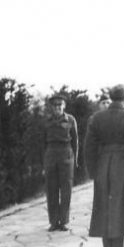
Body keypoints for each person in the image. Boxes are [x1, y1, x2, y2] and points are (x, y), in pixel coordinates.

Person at [85, 84, 124, 247]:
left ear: (111, 97)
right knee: (120, 211)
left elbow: (89, 148)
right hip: (122, 166)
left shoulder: (97, 117)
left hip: (103, 166)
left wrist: (93, 171)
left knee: (104, 210)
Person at [42, 94, 78, 232]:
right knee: (51, 190)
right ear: (52, 107)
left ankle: (64, 221)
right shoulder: (46, 121)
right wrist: (43, 163)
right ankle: (53, 221)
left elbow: (75, 141)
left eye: (60, 105)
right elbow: (42, 143)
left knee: (66, 190)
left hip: (66, 155)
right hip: (50, 155)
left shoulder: (70, 120)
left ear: (64, 106)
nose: (58, 107)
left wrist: (75, 160)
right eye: (55, 105)